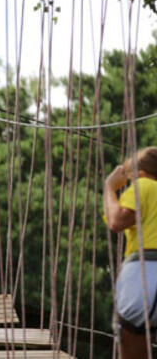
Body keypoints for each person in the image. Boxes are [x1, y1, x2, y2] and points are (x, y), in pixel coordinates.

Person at [103, 146, 157, 359]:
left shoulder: (143, 185)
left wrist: (109, 187)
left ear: (141, 174)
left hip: (144, 275)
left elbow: (117, 220)